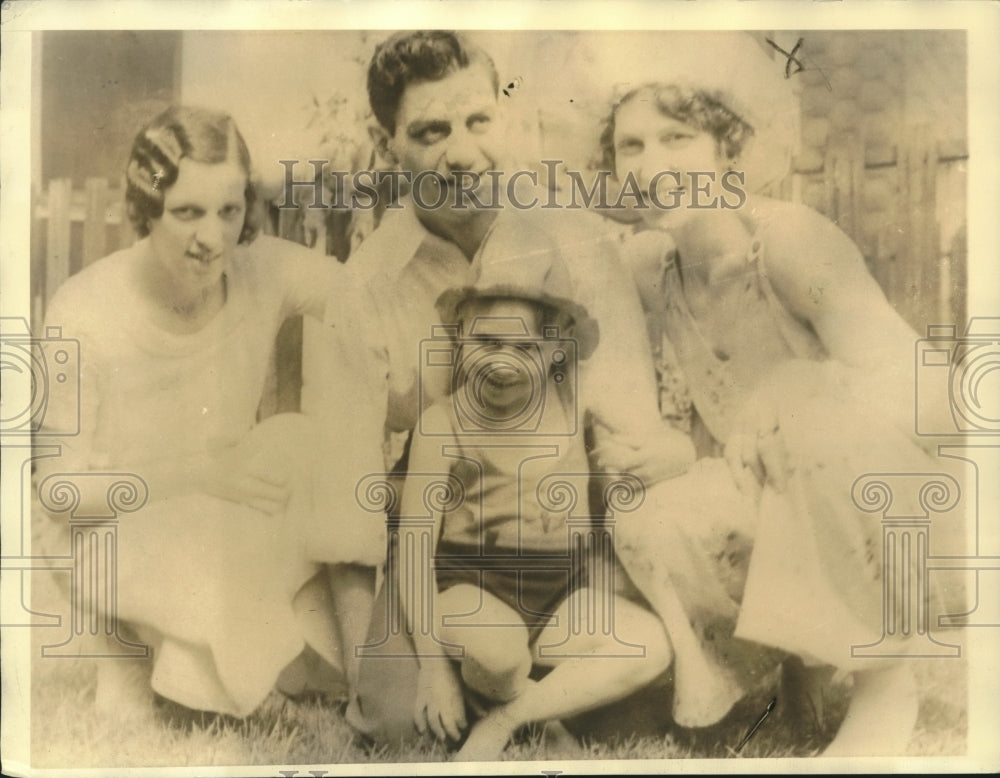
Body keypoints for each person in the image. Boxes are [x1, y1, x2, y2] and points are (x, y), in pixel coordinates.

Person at [310, 30, 694, 748]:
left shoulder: (575, 241)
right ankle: (514, 691)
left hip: (563, 548)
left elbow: (625, 440)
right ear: (386, 139)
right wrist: (376, 665)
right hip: (444, 566)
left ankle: (522, 699)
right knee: (397, 721)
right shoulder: (364, 286)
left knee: (635, 699)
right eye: (430, 131)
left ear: (502, 116)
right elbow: (344, 502)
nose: (462, 153)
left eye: (477, 122)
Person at [597, 81, 960, 755]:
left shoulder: (789, 242)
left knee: (808, 424)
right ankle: (793, 667)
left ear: (727, 152)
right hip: (782, 492)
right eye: (631, 146)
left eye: (678, 139)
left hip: (901, 504)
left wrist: (797, 386)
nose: (652, 164)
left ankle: (887, 685)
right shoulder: (651, 267)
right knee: (648, 511)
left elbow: (935, 397)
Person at [35, 105, 379, 719]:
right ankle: (163, 656)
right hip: (108, 531)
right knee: (197, 575)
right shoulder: (83, 308)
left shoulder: (261, 267)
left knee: (300, 441)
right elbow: (60, 491)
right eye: (187, 212)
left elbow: (358, 294)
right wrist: (195, 473)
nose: (213, 237)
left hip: (218, 509)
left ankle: (191, 666)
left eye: (229, 210)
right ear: (146, 208)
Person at [397, 217, 671, 760]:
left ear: (555, 353)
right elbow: (411, 550)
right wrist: (432, 665)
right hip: (472, 588)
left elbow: (650, 443)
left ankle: (512, 716)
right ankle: (530, 706)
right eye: (487, 341)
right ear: (459, 338)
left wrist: (675, 454)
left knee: (650, 644)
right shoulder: (443, 425)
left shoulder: (576, 405)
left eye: (526, 348)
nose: (503, 361)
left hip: (557, 597)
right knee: (498, 655)